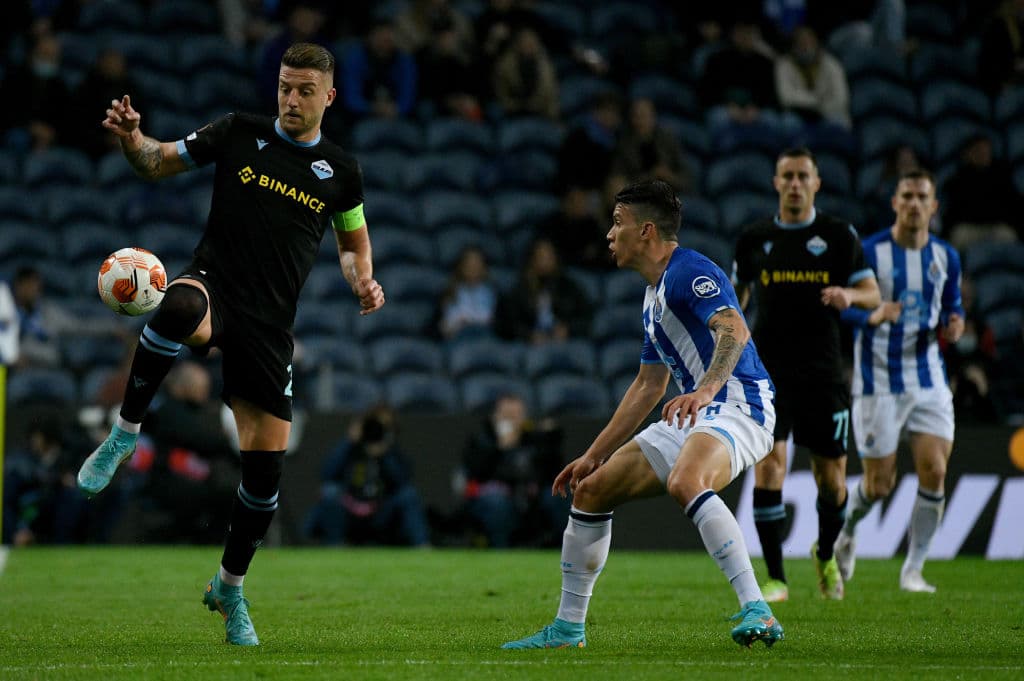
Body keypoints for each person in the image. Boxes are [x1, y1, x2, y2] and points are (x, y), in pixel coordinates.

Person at [75, 43, 385, 646]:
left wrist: (362, 281)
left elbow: (353, 245)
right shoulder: (238, 132)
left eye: (303, 90)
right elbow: (157, 162)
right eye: (284, 86)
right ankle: (124, 434)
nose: (291, 99)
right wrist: (132, 138)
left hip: (269, 327)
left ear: (329, 96)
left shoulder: (340, 170)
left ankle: (229, 589)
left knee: (263, 481)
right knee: (181, 303)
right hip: (214, 284)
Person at [502, 180, 783, 650]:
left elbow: (734, 327)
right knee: (591, 491)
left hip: (740, 404)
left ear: (647, 231)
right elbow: (648, 385)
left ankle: (758, 607)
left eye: (618, 224)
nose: (609, 235)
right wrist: (593, 454)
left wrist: (706, 389)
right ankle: (569, 629)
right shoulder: (653, 296)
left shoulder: (690, 272)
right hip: (697, 413)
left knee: (686, 480)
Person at [733, 147, 880, 602]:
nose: (795, 184)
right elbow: (733, 301)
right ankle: (776, 577)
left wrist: (849, 297)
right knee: (769, 467)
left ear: (816, 183)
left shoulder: (837, 235)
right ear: (776, 183)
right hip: (769, 373)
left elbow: (873, 294)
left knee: (831, 480)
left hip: (824, 372)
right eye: (787, 176)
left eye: (803, 176)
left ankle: (826, 550)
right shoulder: (754, 238)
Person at [834, 169, 964, 593]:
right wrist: (870, 314)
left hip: (927, 379)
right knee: (879, 484)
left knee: (935, 470)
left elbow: (952, 305)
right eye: (906, 195)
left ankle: (914, 569)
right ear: (895, 203)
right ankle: (848, 530)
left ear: (933, 206)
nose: (913, 204)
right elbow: (842, 305)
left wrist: (955, 322)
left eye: (921, 197)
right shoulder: (869, 252)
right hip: (878, 383)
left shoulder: (946, 257)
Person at [304, 404, 430, 547]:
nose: (374, 432)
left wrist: (384, 453)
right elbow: (326, 474)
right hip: (350, 511)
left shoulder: (391, 451)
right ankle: (335, 545)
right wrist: (349, 442)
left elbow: (402, 481)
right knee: (329, 491)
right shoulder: (350, 449)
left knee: (409, 495)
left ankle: (423, 546)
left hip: (381, 513)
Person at [460, 393, 566, 548]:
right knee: (497, 502)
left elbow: (553, 469)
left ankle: (565, 551)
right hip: (493, 495)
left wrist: (550, 437)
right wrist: (500, 448)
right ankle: (501, 550)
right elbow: (475, 473)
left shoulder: (533, 439)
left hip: (530, 495)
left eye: (516, 415)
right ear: (496, 416)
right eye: (506, 416)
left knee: (556, 498)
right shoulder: (482, 439)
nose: (511, 421)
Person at [495, 237, 593, 345]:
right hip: (530, 344)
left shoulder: (569, 287)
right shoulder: (520, 289)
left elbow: (587, 317)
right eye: (541, 257)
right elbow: (506, 324)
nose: (545, 261)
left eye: (549, 256)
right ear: (532, 259)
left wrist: (568, 329)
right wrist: (529, 335)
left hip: (565, 341)